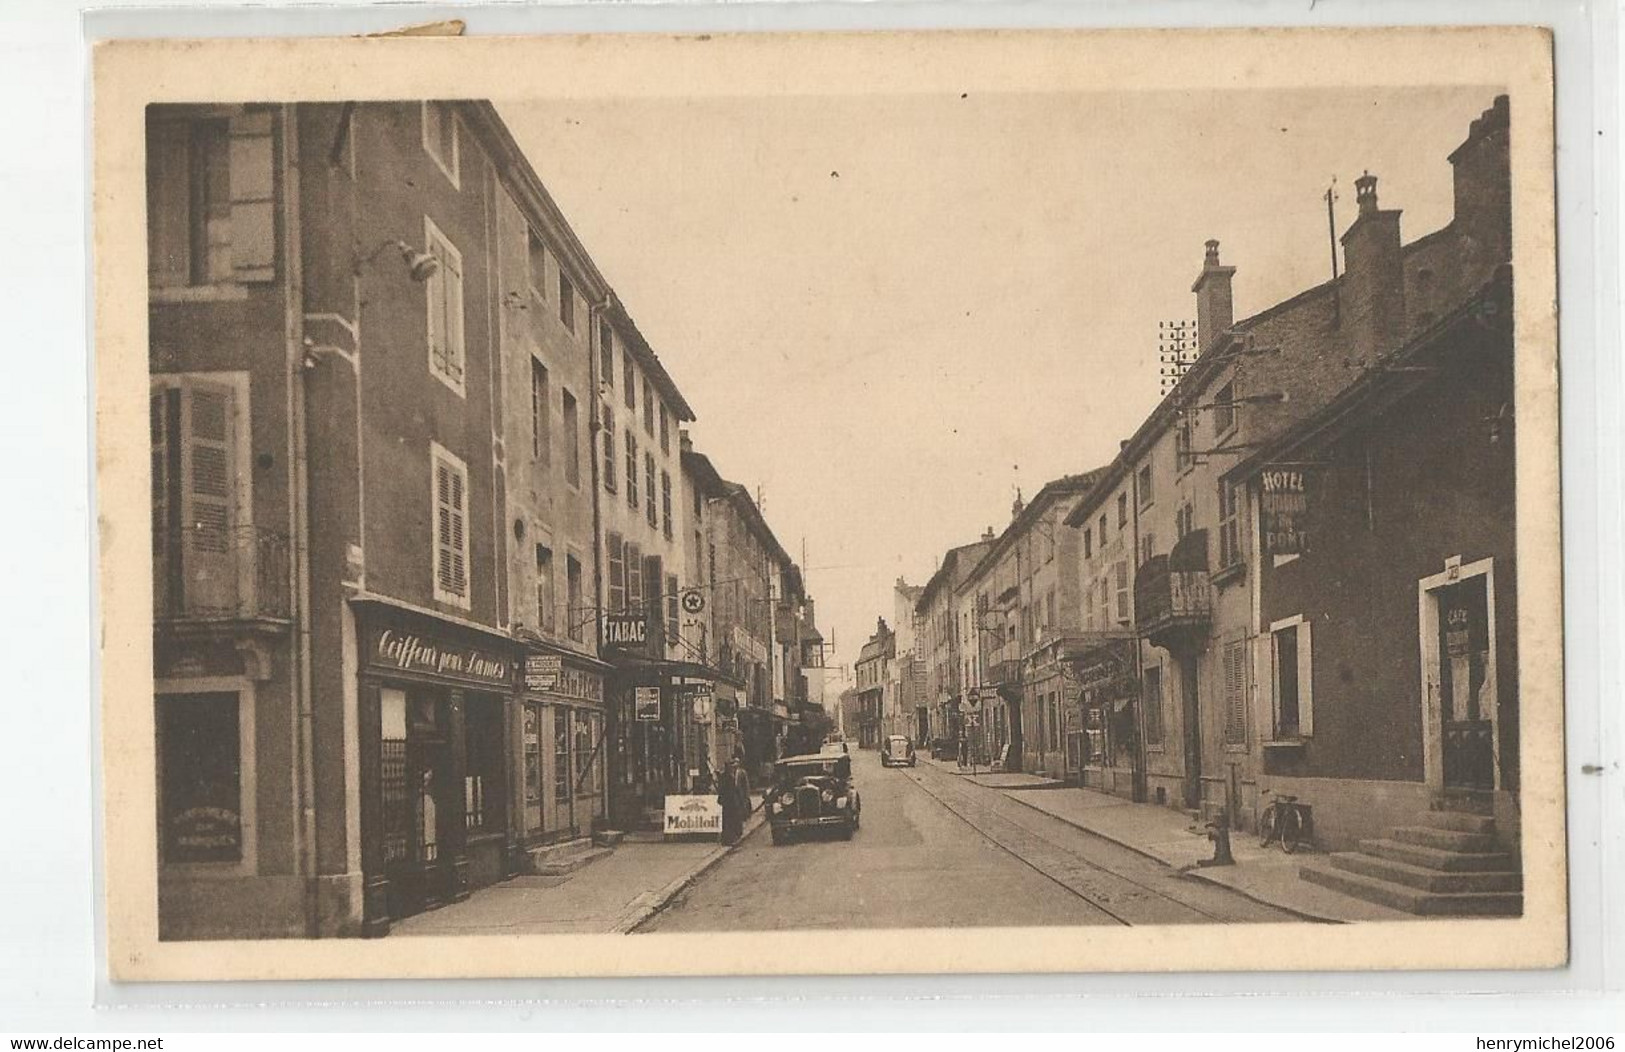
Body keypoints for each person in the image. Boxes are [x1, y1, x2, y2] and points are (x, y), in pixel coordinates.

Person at [717, 750, 751, 845]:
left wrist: (745, 798)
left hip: (736, 800)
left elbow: (744, 786)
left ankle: (735, 836)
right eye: (732, 765)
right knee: (729, 820)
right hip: (729, 802)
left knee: (735, 818)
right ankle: (729, 838)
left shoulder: (741, 773)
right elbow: (723, 789)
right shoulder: (726, 777)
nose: (733, 767)